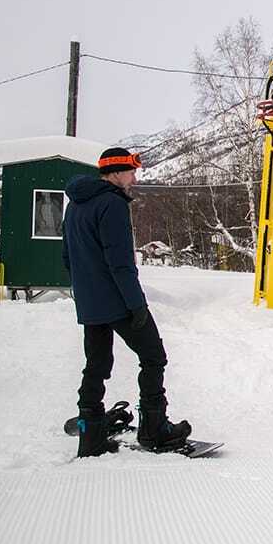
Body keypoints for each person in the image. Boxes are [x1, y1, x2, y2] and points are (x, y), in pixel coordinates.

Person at [62, 147, 192, 458]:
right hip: (118, 300)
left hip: (90, 302)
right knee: (153, 356)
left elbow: (67, 257)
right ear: (117, 172)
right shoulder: (112, 203)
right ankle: (154, 429)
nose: (134, 178)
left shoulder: (75, 205)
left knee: (96, 366)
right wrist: (137, 305)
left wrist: (87, 291)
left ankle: (90, 433)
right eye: (132, 172)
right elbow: (120, 263)